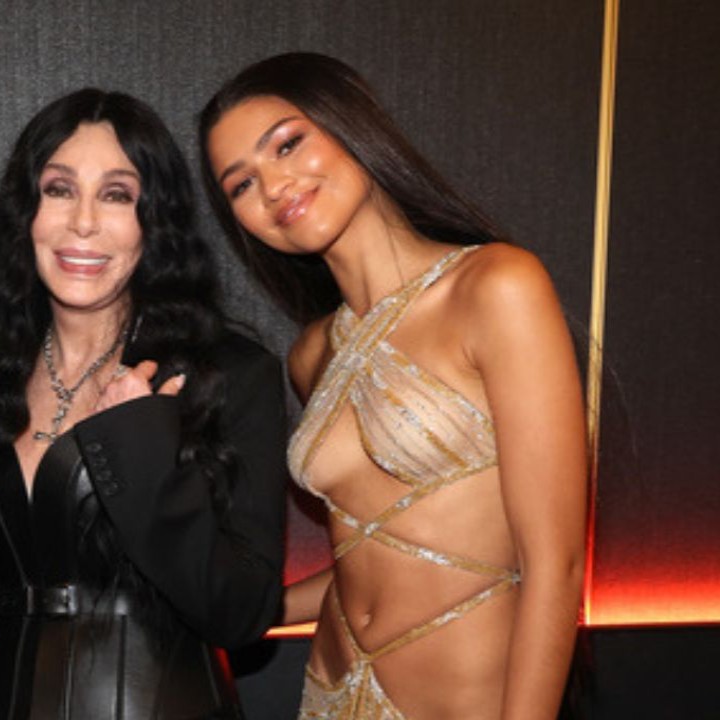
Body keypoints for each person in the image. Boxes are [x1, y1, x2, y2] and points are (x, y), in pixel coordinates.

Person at [198, 53, 587, 719]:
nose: (274, 186)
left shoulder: (496, 287)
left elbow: (556, 565)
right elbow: (373, 553)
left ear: (350, 127)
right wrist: (247, 606)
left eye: (288, 144)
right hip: (332, 691)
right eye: (241, 184)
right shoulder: (311, 353)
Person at [0, 88, 288, 719]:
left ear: (152, 222)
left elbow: (241, 613)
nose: (83, 221)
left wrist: (142, 449)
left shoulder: (227, 375)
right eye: (58, 189)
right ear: (25, 212)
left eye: (116, 195)